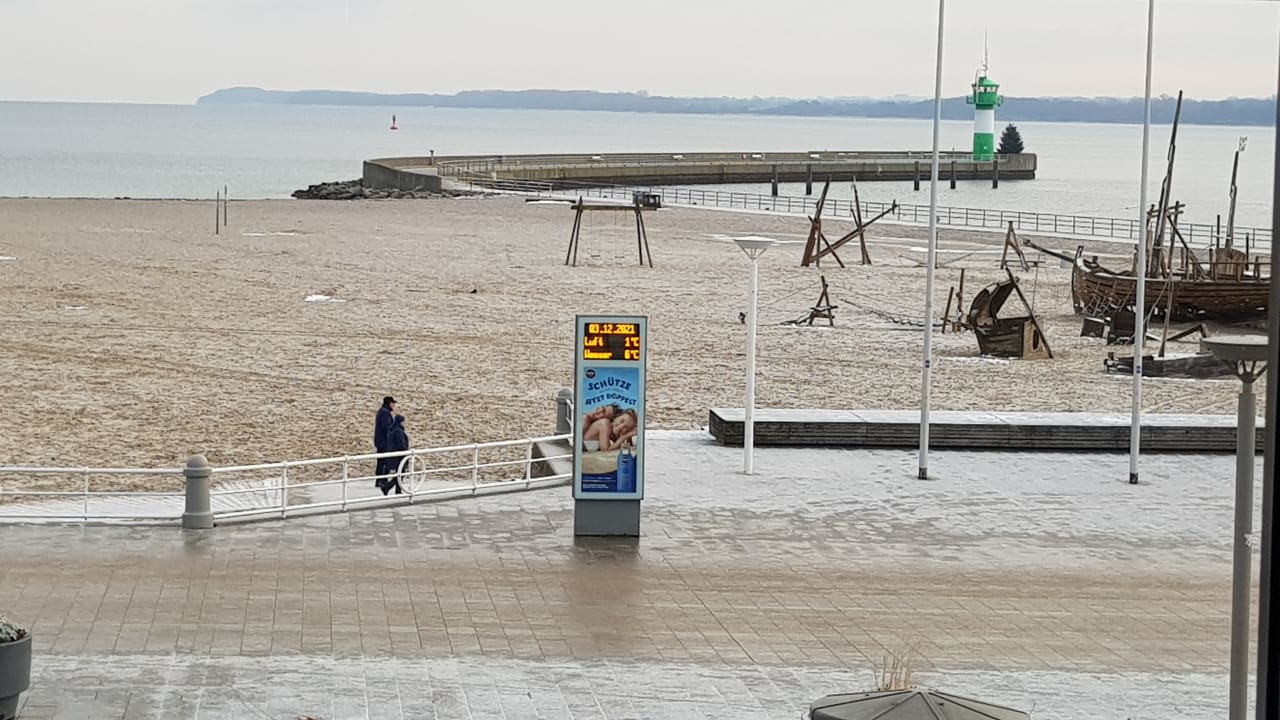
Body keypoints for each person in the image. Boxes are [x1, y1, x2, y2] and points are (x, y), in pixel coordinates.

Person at [383, 414, 410, 495]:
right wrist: (406, 453)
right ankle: (388, 487)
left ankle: (395, 489)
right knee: (400, 473)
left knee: (399, 473)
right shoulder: (398, 431)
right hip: (399, 456)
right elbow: (401, 444)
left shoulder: (392, 430)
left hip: (394, 455)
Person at [373, 396, 396, 490]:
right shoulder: (385, 413)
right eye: (393, 403)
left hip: (380, 441)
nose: (394, 405)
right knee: (384, 461)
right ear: (389, 403)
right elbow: (385, 427)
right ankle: (381, 480)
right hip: (384, 442)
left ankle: (380, 480)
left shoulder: (383, 411)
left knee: (381, 461)